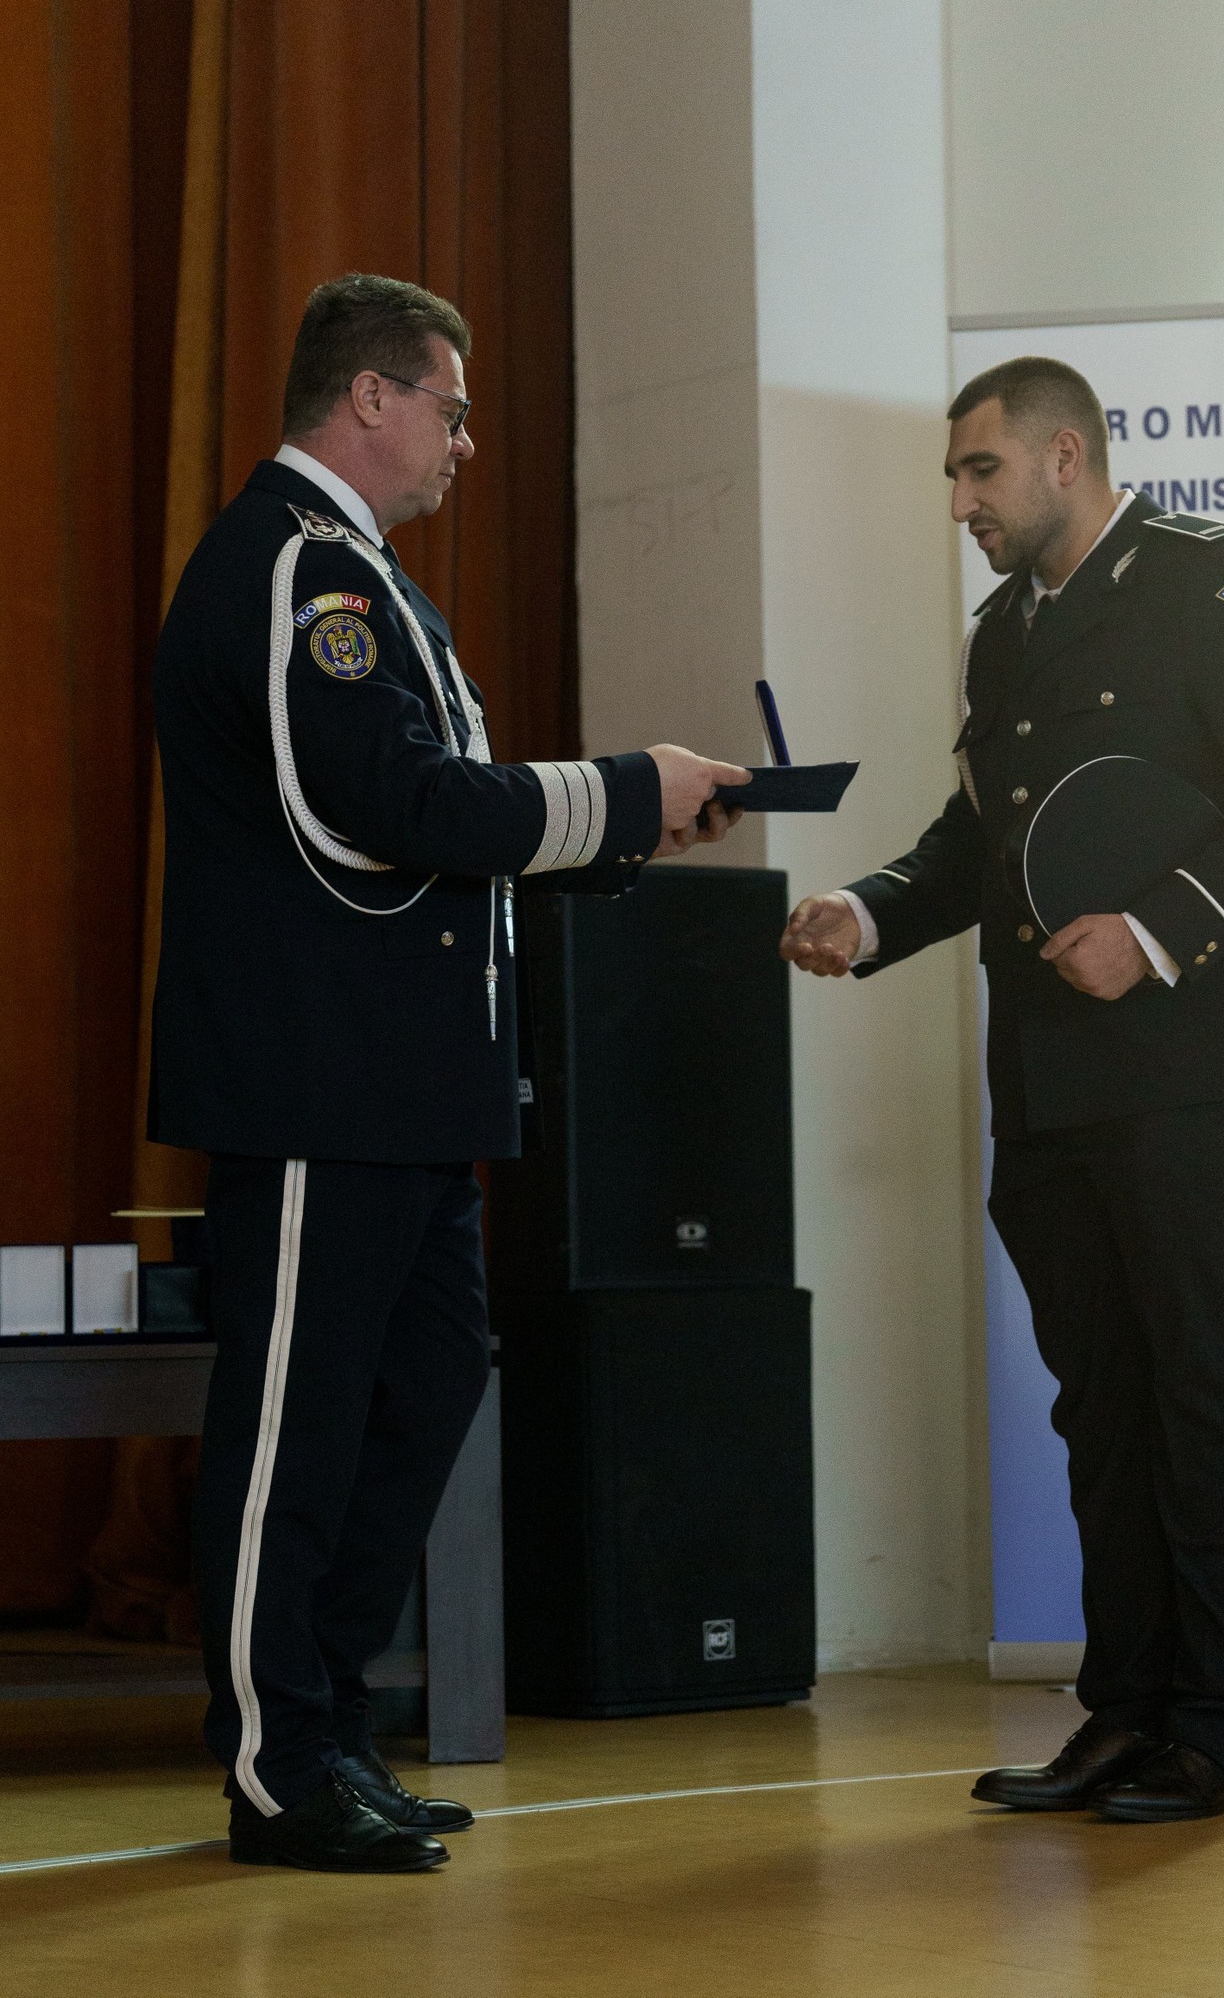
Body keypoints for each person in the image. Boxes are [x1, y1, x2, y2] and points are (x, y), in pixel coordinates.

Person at [149, 272, 749, 1873]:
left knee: (416, 1400)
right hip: (315, 1082)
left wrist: (627, 827)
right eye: (452, 408)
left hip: (405, 1091)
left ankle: (331, 1727)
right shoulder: (300, 571)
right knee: (295, 1431)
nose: (466, 443)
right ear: (370, 397)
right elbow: (392, 807)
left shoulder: (365, 579)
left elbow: (433, 820)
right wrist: (621, 789)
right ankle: (277, 1762)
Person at [781, 356, 1224, 1823]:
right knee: (1100, 1399)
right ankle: (1126, 1708)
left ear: (1064, 457)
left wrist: (1154, 931)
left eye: (981, 471)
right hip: (1048, 1067)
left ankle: (1215, 1726)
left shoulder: (1215, 582)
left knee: (1202, 1383)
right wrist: (870, 911)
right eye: (955, 477)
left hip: (1198, 1058)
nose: (961, 502)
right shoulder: (1004, 635)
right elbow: (984, 836)